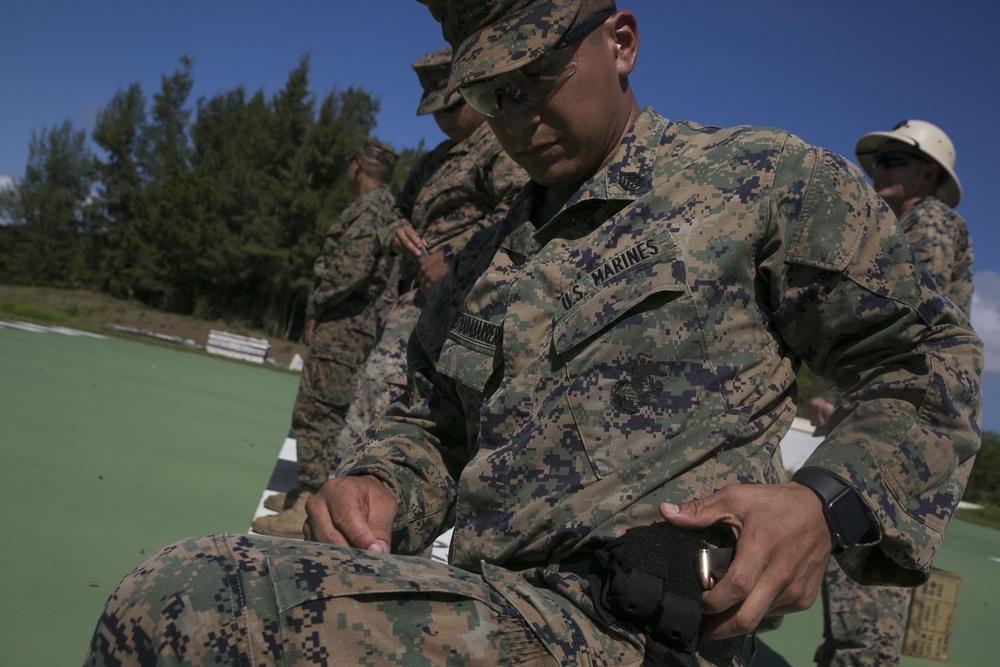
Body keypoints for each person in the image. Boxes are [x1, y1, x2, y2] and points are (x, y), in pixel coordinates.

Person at [83, 2, 982, 666]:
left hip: (648, 630)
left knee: (182, 598)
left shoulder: (763, 183)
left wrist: (824, 503)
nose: (518, 116)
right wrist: (380, 481)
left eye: (539, 76)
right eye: (493, 92)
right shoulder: (482, 257)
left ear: (621, 42)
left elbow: (928, 367)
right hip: (497, 607)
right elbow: (429, 424)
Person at [811, 120, 974, 667]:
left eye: (894, 159)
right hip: (893, 420)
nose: (878, 168)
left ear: (927, 173)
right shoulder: (909, 224)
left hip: (897, 430)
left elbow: (904, 318)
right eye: (876, 160)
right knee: (852, 594)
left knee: (864, 610)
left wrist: (845, 400)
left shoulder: (927, 222)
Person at [332, 45, 526, 455]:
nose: (444, 120)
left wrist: (455, 257)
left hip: (472, 299)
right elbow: (395, 210)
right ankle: (344, 492)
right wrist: (397, 230)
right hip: (419, 298)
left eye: (452, 108)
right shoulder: (434, 160)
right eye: (436, 112)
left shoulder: (500, 146)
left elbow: (519, 210)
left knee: (440, 407)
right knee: (379, 390)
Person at [251, 136, 400, 538]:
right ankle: (306, 488)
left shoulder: (372, 210)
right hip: (344, 324)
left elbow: (350, 272)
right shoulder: (377, 208)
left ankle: (311, 502)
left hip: (346, 326)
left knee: (320, 412)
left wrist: (317, 301)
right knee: (312, 408)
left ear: (358, 165)